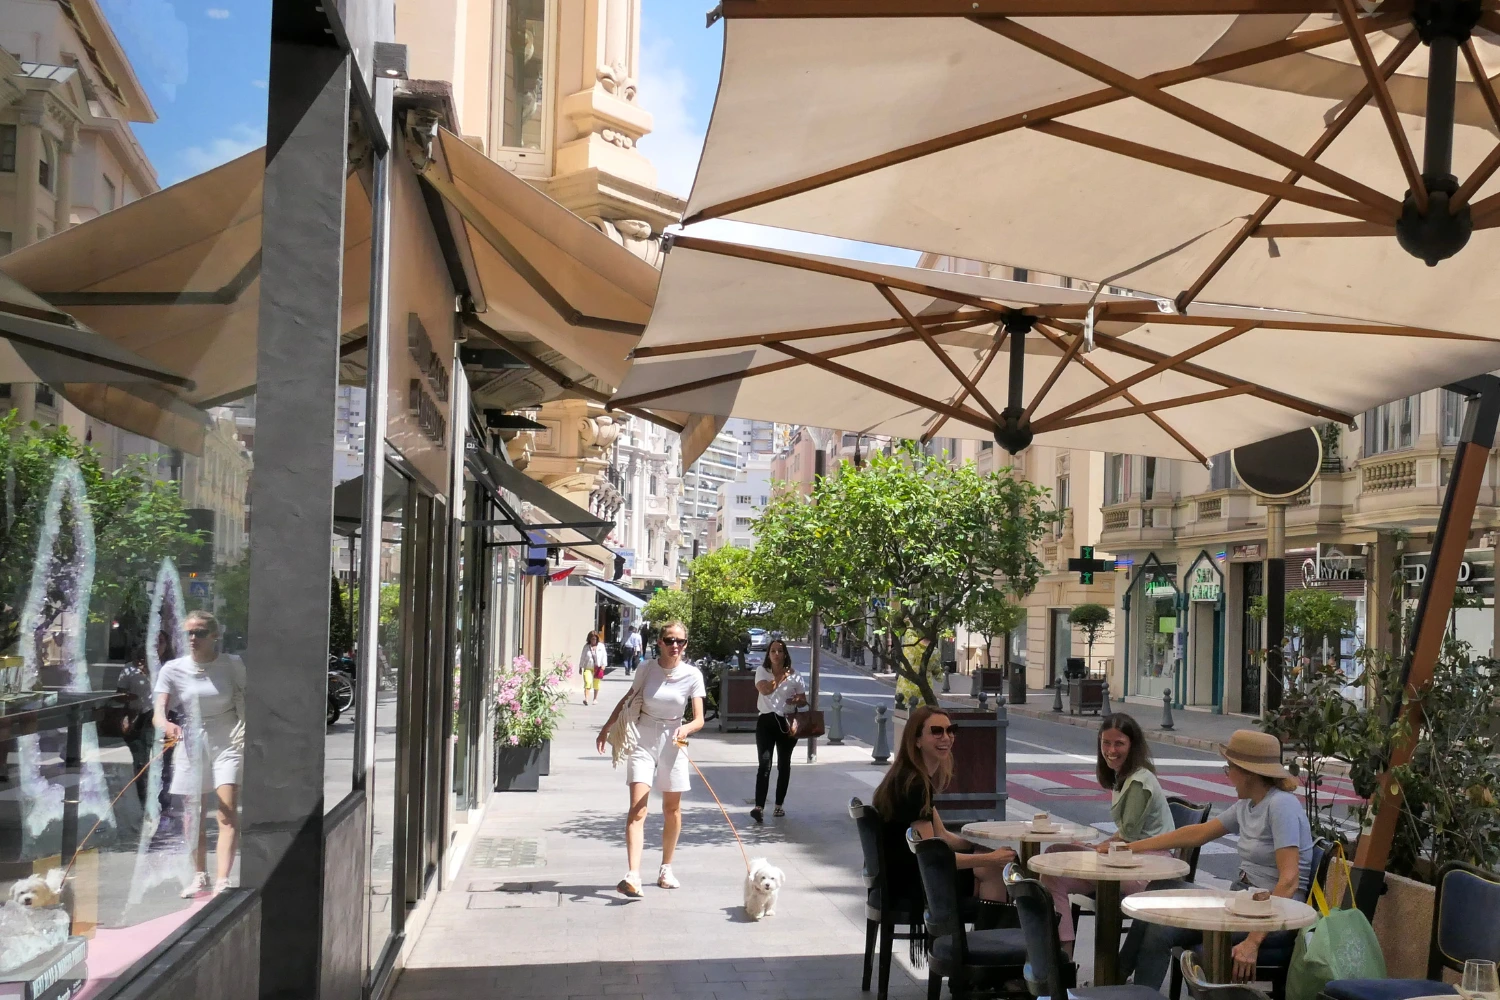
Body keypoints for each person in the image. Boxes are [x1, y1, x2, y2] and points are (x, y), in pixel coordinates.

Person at [1115, 729, 1314, 991]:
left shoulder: (1281, 806)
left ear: (1248, 772)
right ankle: (1118, 982)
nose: (1227, 775)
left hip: (1274, 915)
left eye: (1229, 768)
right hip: (1242, 901)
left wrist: (1252, 942)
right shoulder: (1248, 805)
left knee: (1160, 929)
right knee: (1155, 894)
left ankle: (1136, 993)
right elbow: (1197, 833)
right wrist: (1131, 847)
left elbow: (1289, 881)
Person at [1041, 713, 1175, 956]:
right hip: (1126, 862)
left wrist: (1097, 850)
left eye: (1119, 743)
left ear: (1132, 745)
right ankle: (1063, 957)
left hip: (1146, 870)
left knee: (1055, 854)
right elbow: (1125, 834)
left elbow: (1129, 836)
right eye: (1106, 743)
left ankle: (1069, 959)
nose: (1111, 750)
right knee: (1052, 873)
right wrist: (1097, 847)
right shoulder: (1123, 776)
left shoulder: (1139, 782)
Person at [595, 620, 705, 897]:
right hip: (643, 738)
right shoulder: (646, 668)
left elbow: (699, 719)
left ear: (686, 644)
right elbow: (629, 698)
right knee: (637, 809)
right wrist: (607, 728)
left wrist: (686, 729)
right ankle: (633, 875)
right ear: (659, 642)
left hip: (674, 740)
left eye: (680, 641)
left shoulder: (692, 675)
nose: (675, 646)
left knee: (672, 809)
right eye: (670, 640)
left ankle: (666, 868)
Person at [873, 705, 1015, 907]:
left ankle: (987, 924)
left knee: (989, 865)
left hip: (902, 875)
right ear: (917, 740)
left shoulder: (911, 777)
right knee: (993, 871)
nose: (946, 737)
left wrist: (979, 848)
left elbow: (942, 836)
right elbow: (931, 856)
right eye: (936, 731)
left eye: (950, 730)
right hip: (910, 884)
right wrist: (991, 859)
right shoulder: (914, 785)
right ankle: (988, 927)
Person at [153, 610, 246, 896]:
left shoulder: (232, 664)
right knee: (193, 815)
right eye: (188, 633)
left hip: (228, 739)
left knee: (226, 810)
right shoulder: (173, 669)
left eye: (200, 633)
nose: (193, 638)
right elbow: (158, 713)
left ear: (215, 635)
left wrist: (247, 727)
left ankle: (222, 879)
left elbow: (248, 697)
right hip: (191, 740)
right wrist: (167, 725)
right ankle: (199, 875)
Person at [750, 638, 805, 824]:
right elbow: (765, 690)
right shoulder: (762, 671)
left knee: (784, 765)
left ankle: (778, 805)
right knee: (764, 764)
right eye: (773, 651)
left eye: (780, 651)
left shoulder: (796, 675)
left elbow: (803, 700)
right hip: (766, 721)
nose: (776, 654)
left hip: (786, 723)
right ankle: (759, 807)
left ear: (785, 654)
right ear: (768, 654)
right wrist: (781, 676)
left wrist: (796, 700)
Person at [580, 631, 607, 705]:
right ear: (589, 639)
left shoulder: (601, 646)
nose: (593, 640)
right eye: (592, 639)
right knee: (588, 682)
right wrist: (580, 666)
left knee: (596, 683)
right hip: (588, 667)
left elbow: (604, 656)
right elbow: (582, 657)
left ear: (597, 639)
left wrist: (604, 665)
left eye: (595, 639)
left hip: (598, 667)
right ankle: (586, 699)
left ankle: (595, 699)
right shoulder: (586, 647)